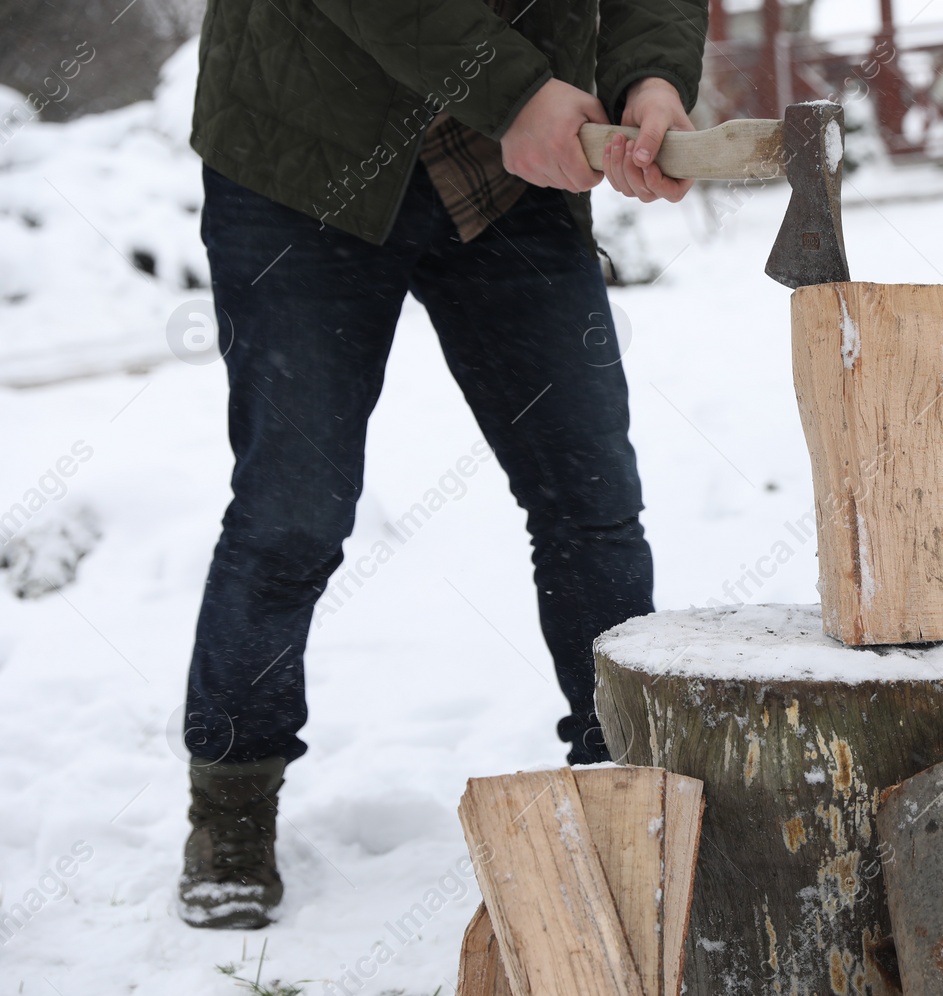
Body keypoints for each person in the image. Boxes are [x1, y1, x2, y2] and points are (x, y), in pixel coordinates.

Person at [177, 0, 708, 929]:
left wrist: (651, 77)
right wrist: (514, 92)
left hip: (512, 173)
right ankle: (231, 808)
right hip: (306, 150)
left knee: (591, 497)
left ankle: (622, 787)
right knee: (291, 511)